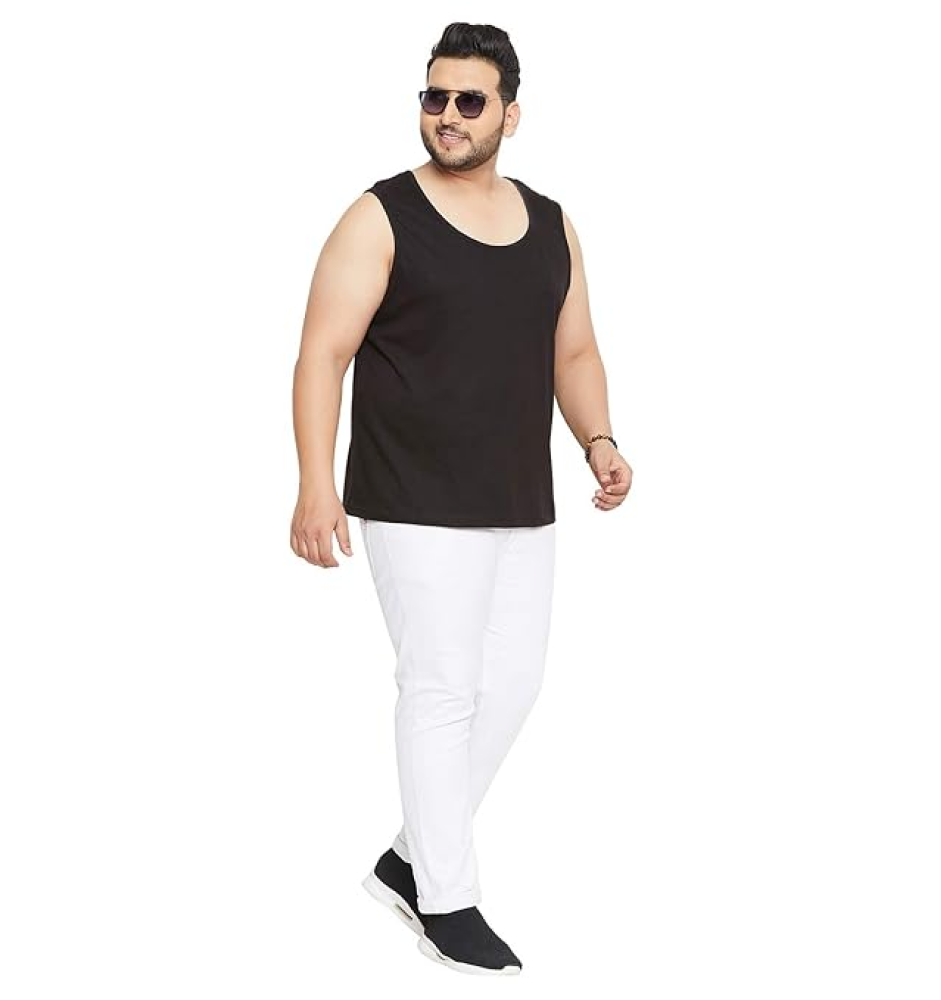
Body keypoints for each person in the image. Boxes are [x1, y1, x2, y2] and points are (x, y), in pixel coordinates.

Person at [291, 22, 632, 975]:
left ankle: (408, 857)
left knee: (513, 687)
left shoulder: (552, 223)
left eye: (469, 100)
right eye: (434, 97)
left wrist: (599, 440)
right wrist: (315, 482)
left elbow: (574, 351)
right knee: (440, 689)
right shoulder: (379, 216)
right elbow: (322, 353)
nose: (447, 115)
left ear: (509, 115)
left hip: (519, 496)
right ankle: (447, 900)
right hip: (412, 495)